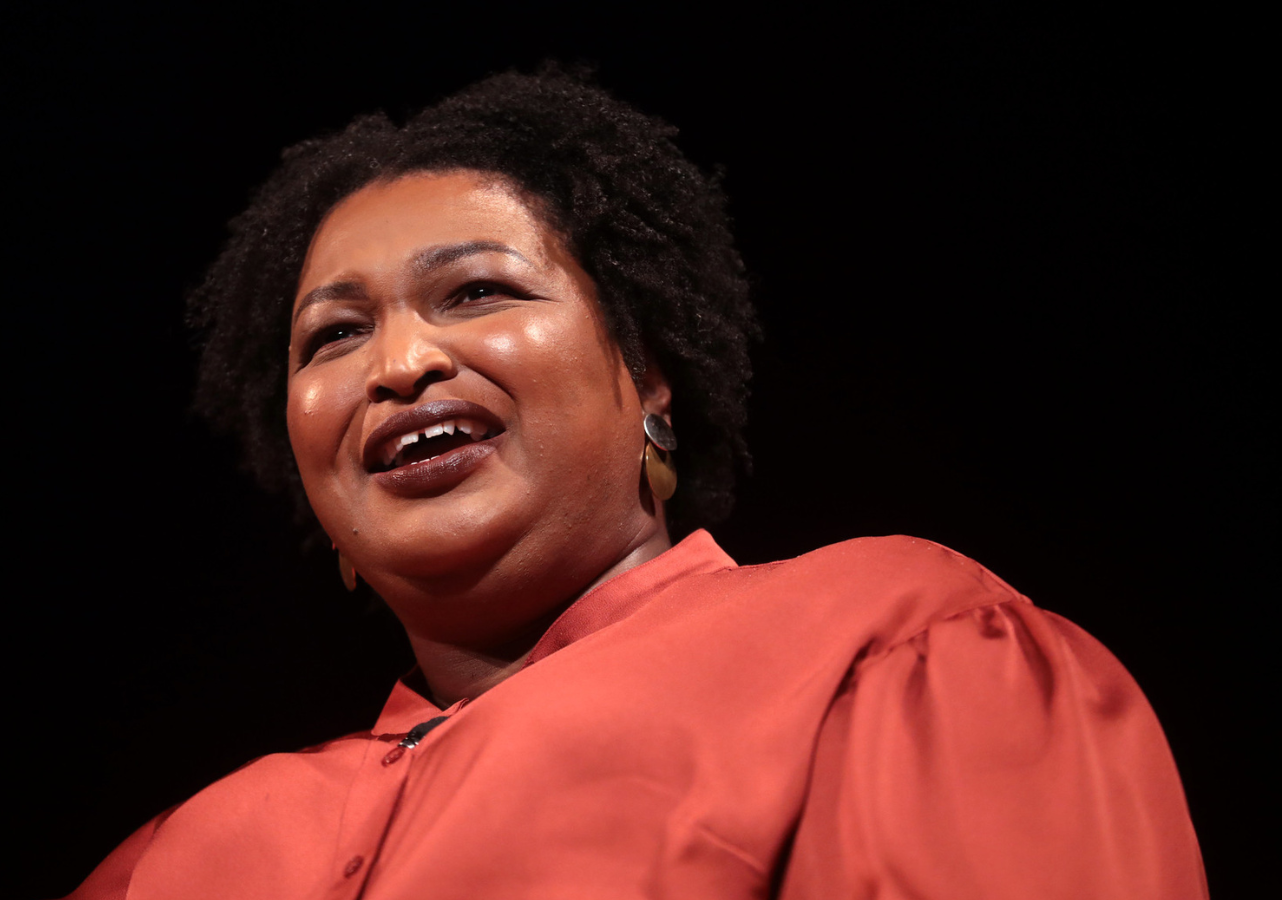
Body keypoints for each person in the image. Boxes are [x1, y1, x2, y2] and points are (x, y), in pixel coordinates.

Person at [61, 67, 1205, 899]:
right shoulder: (177, 860)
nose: (399, 364)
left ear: (648, 378)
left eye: (476, 293)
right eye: (334, 335)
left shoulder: (885, 644)